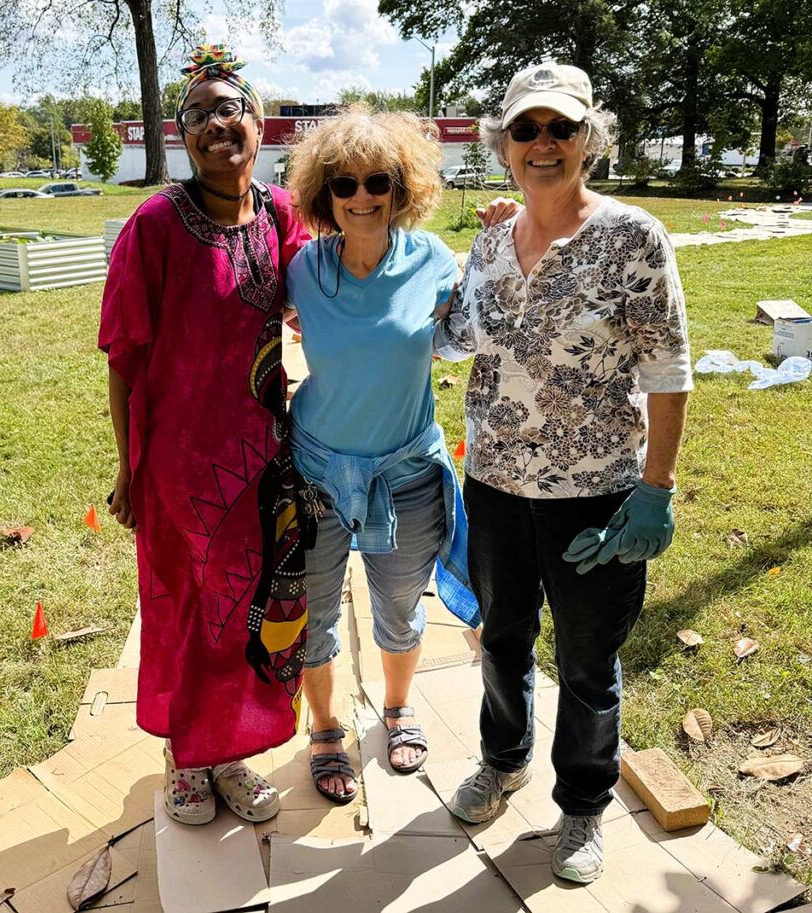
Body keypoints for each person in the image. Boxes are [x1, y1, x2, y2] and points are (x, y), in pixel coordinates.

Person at [435, 63, 692, 883]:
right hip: (498, 486)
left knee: (588, 659)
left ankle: (582, 805)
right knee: (502, 638)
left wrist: (655, 488)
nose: (543, 143)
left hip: (598, 495)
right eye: (526, 129)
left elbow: (669, 369)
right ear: (503, 143)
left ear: (589, 138)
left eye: (561, 128)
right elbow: (449, 337)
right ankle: (504, 758)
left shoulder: (633, 237)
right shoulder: (489, 240)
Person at [99, 44, 310, 826]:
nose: (217, 124)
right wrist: (129, 468)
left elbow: (321, 290)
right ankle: (187, 756)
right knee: (189, 605)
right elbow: (124, 361)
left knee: (251, 603)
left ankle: (232, 753)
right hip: (182, 464)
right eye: (198, 115)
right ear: (182, 138)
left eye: (232, 109)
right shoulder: (155, 225)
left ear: (259, 124)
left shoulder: (283, 212)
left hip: (263, 456)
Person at [285, 106, 517, 803]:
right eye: (344, 184)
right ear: (324, 195)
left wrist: (500, 242)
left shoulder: (432, 263)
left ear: (401, 186)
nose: (362, 196)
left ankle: (396, 708)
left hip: (407, 475)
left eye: (377, 180)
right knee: (313, 610)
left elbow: (479, 324)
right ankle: (325, 728)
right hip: (317, 473)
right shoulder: (303, 269)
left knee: (399, 607)